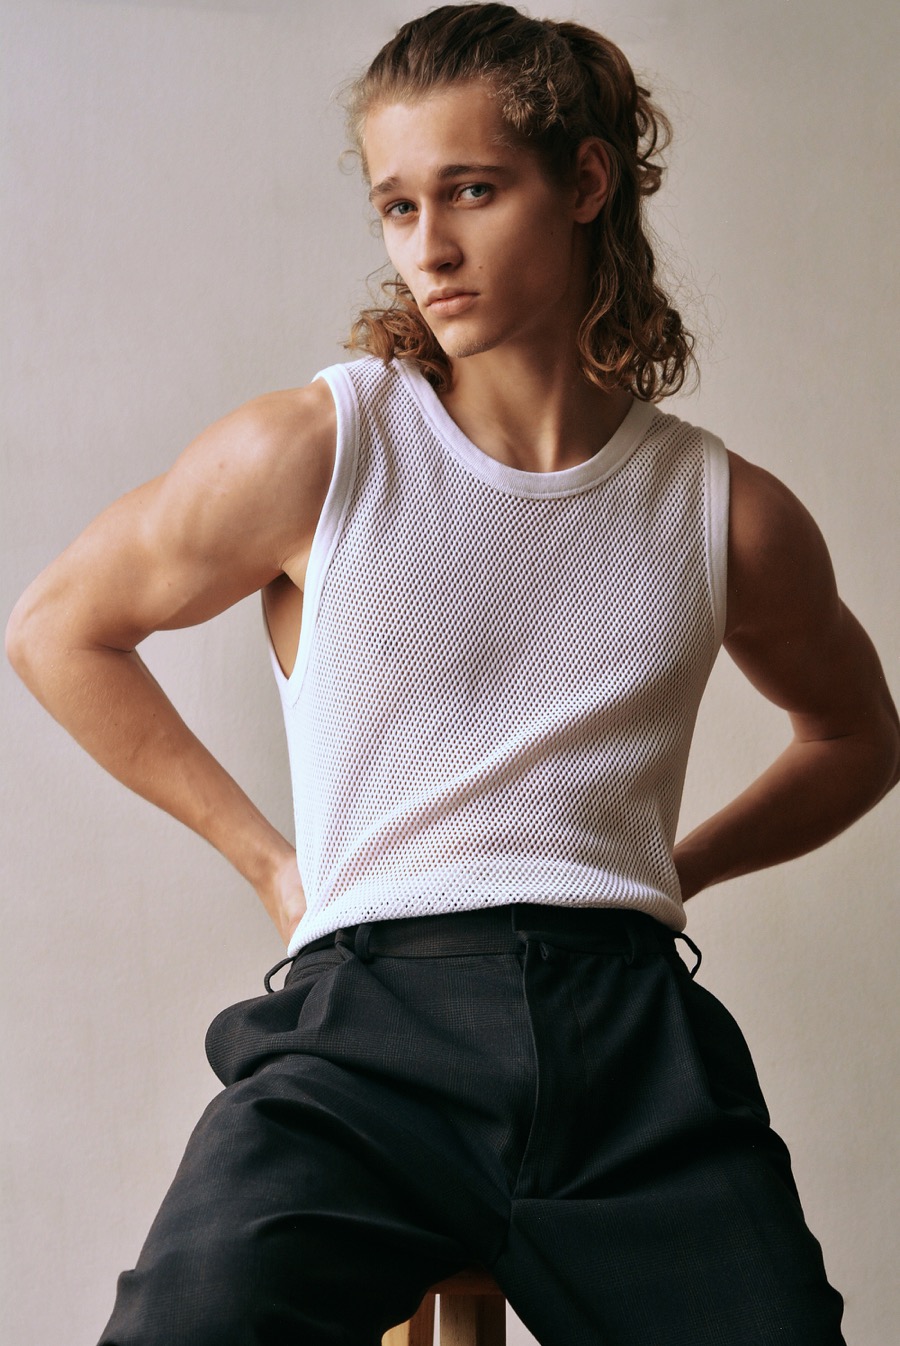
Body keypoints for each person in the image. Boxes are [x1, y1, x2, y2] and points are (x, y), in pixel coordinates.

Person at [6, 4, 898, 1344]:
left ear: (584, 182)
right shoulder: (324, 449)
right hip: (366, 1039)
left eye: (472, 191)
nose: (428, 247)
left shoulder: (725, 512)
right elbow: (58, 627)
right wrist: (270, 864)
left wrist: (674, 870)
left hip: (631, 1052)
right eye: (397, 205)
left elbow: (857, 736)